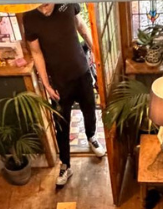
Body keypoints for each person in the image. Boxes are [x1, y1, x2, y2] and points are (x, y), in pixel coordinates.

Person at [23, 3, 105, 187]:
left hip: (82, 73)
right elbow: (36, 53)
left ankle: (92, 137)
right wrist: (45, 84)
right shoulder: (29, 17)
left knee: (90, 109)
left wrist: (96, 53)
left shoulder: (67, 4)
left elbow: (82, 27)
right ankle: (65, 164)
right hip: (58, 83)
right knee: (61, 124)